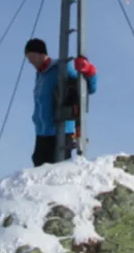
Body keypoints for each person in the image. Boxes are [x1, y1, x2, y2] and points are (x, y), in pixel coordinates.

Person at [26, 37, 97, 165]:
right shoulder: (40, 75)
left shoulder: (61, 67)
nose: (30, 61)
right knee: (38, 164)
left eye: (31, 57)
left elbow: (88, 88)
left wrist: (90, 71)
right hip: (42, 132)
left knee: (58, 167)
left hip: (61, 130)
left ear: (41, 54)